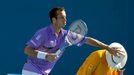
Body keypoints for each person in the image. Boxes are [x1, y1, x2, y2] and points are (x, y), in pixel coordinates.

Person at [22, 7, 122, 75]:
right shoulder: (43, 33)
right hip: (31, 70)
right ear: (54, 20)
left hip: (44, 72)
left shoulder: (67, 35)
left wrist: (107, 47)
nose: (65, 20)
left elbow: (88, 40)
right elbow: (27, 50)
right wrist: (46, 56)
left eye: (65, 17)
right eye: (62, 17)